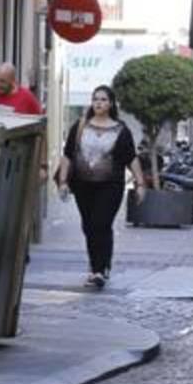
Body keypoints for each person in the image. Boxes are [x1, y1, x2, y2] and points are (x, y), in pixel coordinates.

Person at [55, 85, 149, 289]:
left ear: (111, 103)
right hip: (83, 185)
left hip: (110, 186)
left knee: (101, 223)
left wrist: (140, 183)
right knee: (88, 226)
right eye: (95, 99)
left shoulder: (121, 130)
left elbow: (131, 158)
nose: (98, 103)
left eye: (103, 99)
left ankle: (100, 270)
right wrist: (63, 182)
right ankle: (96, 265)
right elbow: (68, 155)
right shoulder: (80, 126)